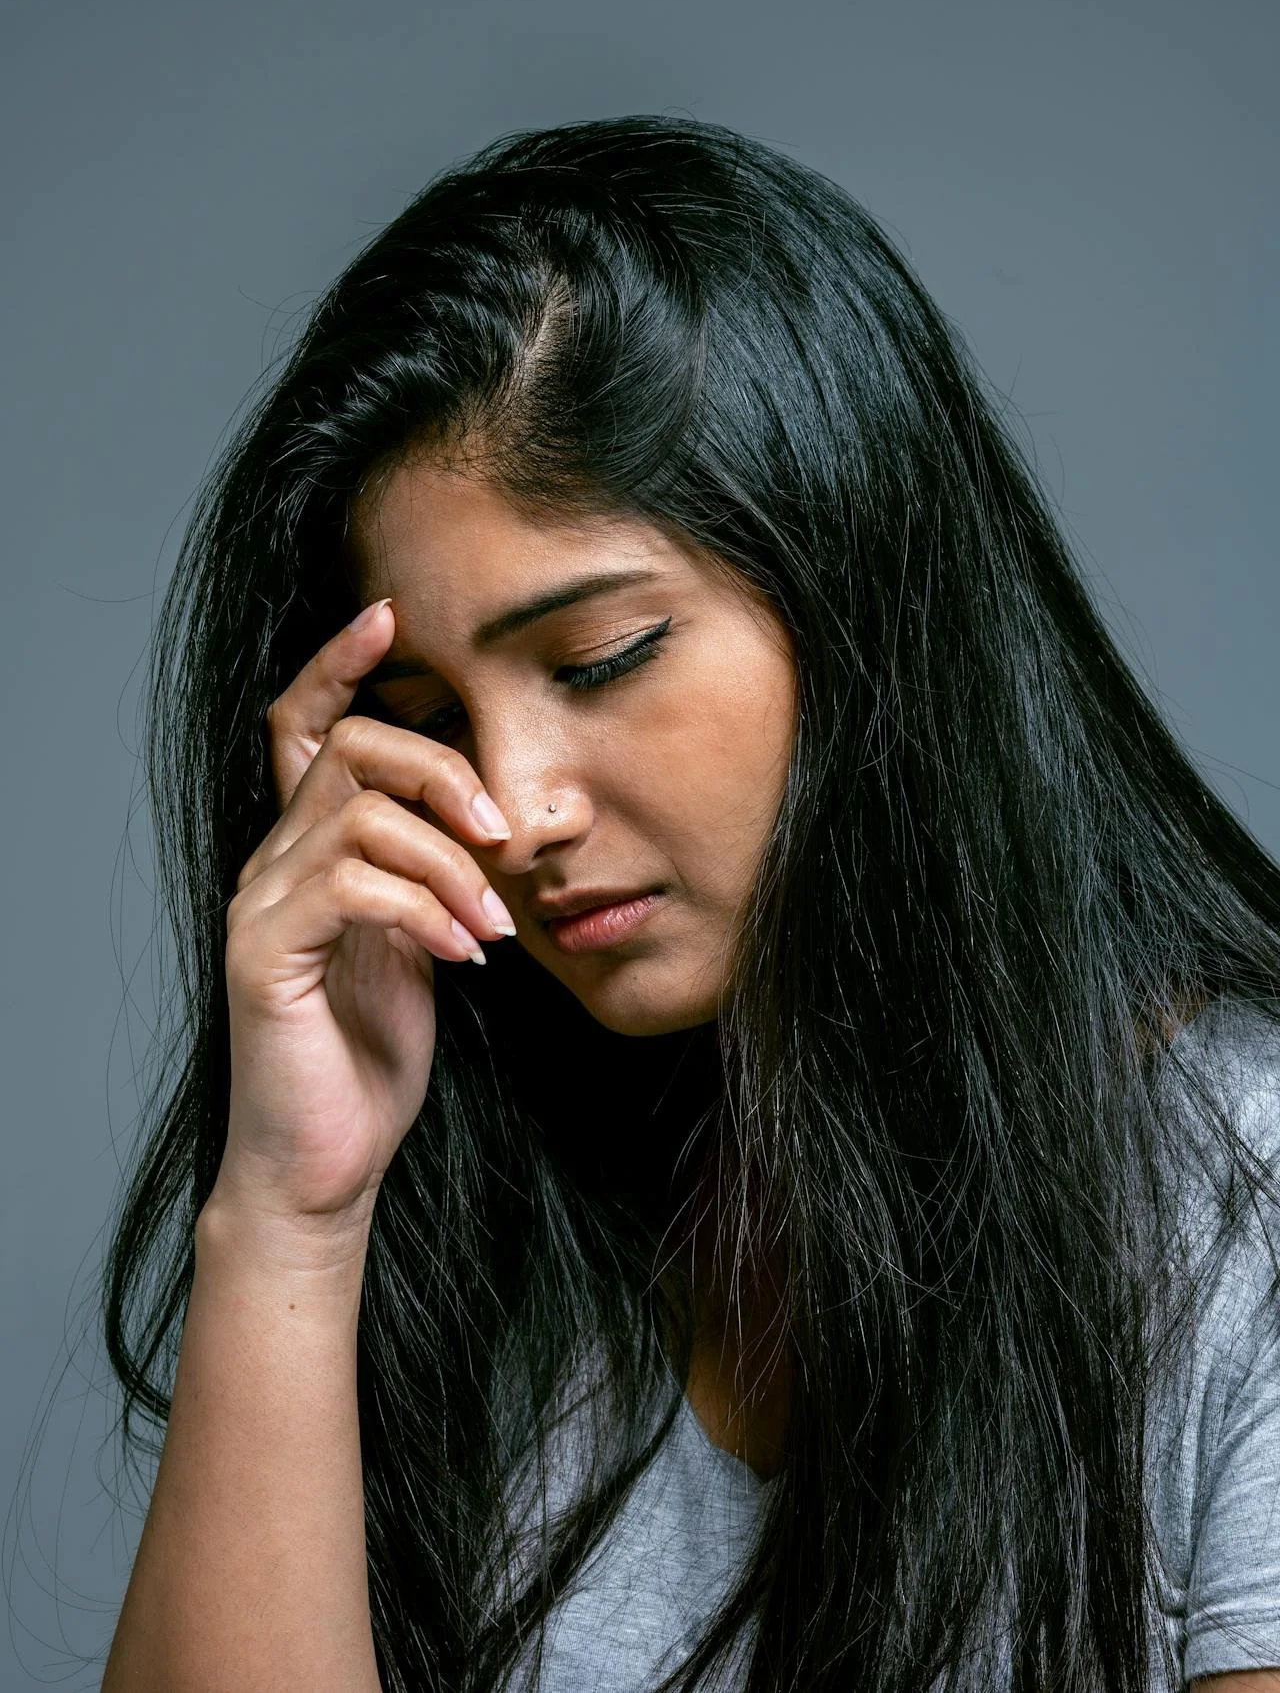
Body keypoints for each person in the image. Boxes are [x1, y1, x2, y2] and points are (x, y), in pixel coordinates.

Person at [100, 115, 1280, 1693]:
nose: (513, 809)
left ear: (857, 593)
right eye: (431, 720)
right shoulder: (507, 1217)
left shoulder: (1245, 1211)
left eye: (600, 661)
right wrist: (289, 1216)